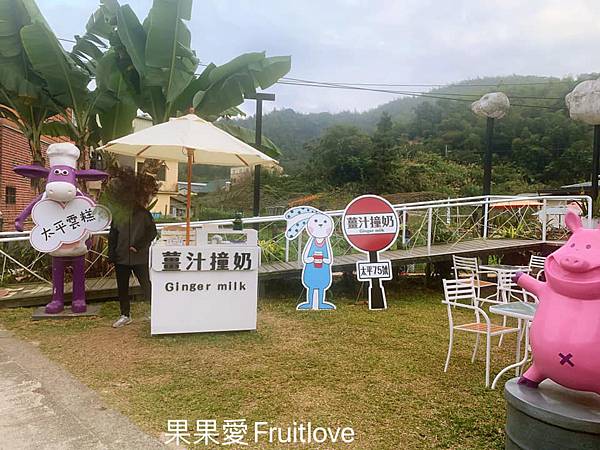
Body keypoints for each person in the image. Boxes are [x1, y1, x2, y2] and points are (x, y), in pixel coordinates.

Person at [106, 167, 158, 328]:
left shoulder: (144, 214)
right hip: (121, 257)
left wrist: (138, 246)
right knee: (122, 288)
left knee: (146, 285)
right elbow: (112, 236)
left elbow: (152, 232)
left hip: (139, 257)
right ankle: (125, 315)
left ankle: (155, 312)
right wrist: (111, 255)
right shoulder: (119, 214)